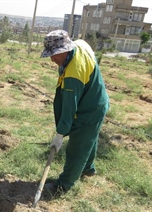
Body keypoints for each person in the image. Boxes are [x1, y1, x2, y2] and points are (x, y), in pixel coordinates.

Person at [40, 30, 109, 194]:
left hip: (89, 110)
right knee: (89, 139)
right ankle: (88, 169)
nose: (52, 59)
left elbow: (69, 109)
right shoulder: (80, 45)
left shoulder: (73, 74)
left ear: (66, 50)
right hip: (96, 100)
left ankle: (64, 185)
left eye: (55, 54)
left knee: (78, 146)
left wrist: (60, 135)